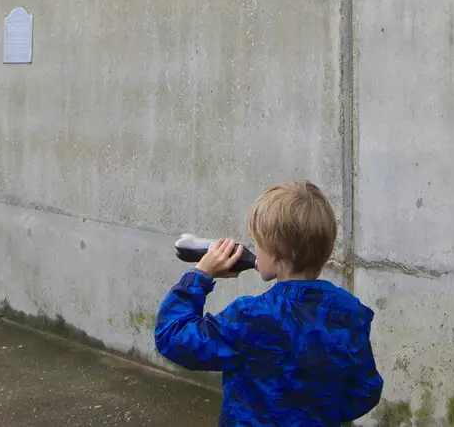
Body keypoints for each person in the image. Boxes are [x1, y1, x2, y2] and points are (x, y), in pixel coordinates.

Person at [154, 181, 383, 426]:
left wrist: (200, 276)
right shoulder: (349, 312)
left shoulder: (250, 317)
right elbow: (366, 389)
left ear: (273, 255)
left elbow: (172, 336)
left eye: (257, 243)